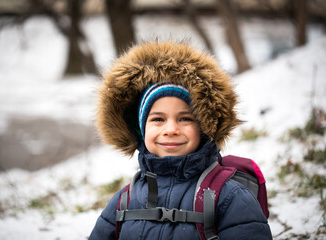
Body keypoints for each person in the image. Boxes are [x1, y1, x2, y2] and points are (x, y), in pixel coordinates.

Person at [89, 41, 272, 239]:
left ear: (203, 127)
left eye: (185, 119)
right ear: (140, 130)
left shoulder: (230, 197)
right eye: (158, 119)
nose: (171, 130)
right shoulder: (125, 199)